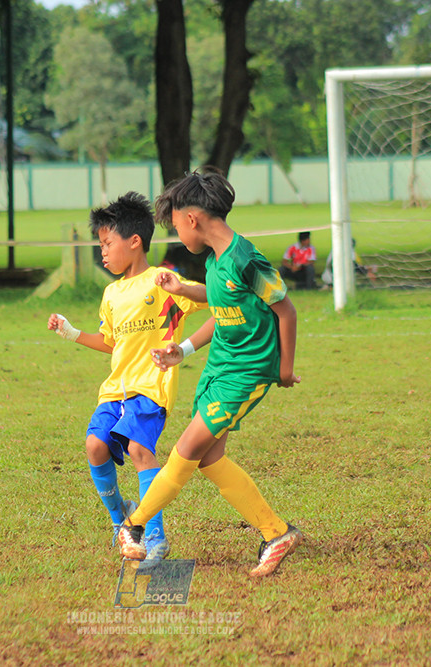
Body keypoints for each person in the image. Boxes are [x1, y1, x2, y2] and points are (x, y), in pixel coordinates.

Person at [117, 168, 303, 578]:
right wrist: (182, 341)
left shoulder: (245, 259)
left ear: (192, 219)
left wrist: (284, 370)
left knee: (186, 449)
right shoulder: (217, 262)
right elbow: (221, 310)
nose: (178, 235)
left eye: (176, 226)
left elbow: (286, 310)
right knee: (209, 459)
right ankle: (277, 533)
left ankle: (134, 525)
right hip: (220, 368)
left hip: (247, 372)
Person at [48, 192, 207, 563]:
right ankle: (122, 521)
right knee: (94, 446)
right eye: (100, 245)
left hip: (151, 389)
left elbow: (212, 297)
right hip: (114, 391)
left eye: (107, 244)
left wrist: (183, 289)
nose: (102, 252)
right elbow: (110, 342)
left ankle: (154, 537)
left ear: (134, 241)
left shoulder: (161, 282)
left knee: (138, 450)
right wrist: (72, 333)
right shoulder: (111, 293)